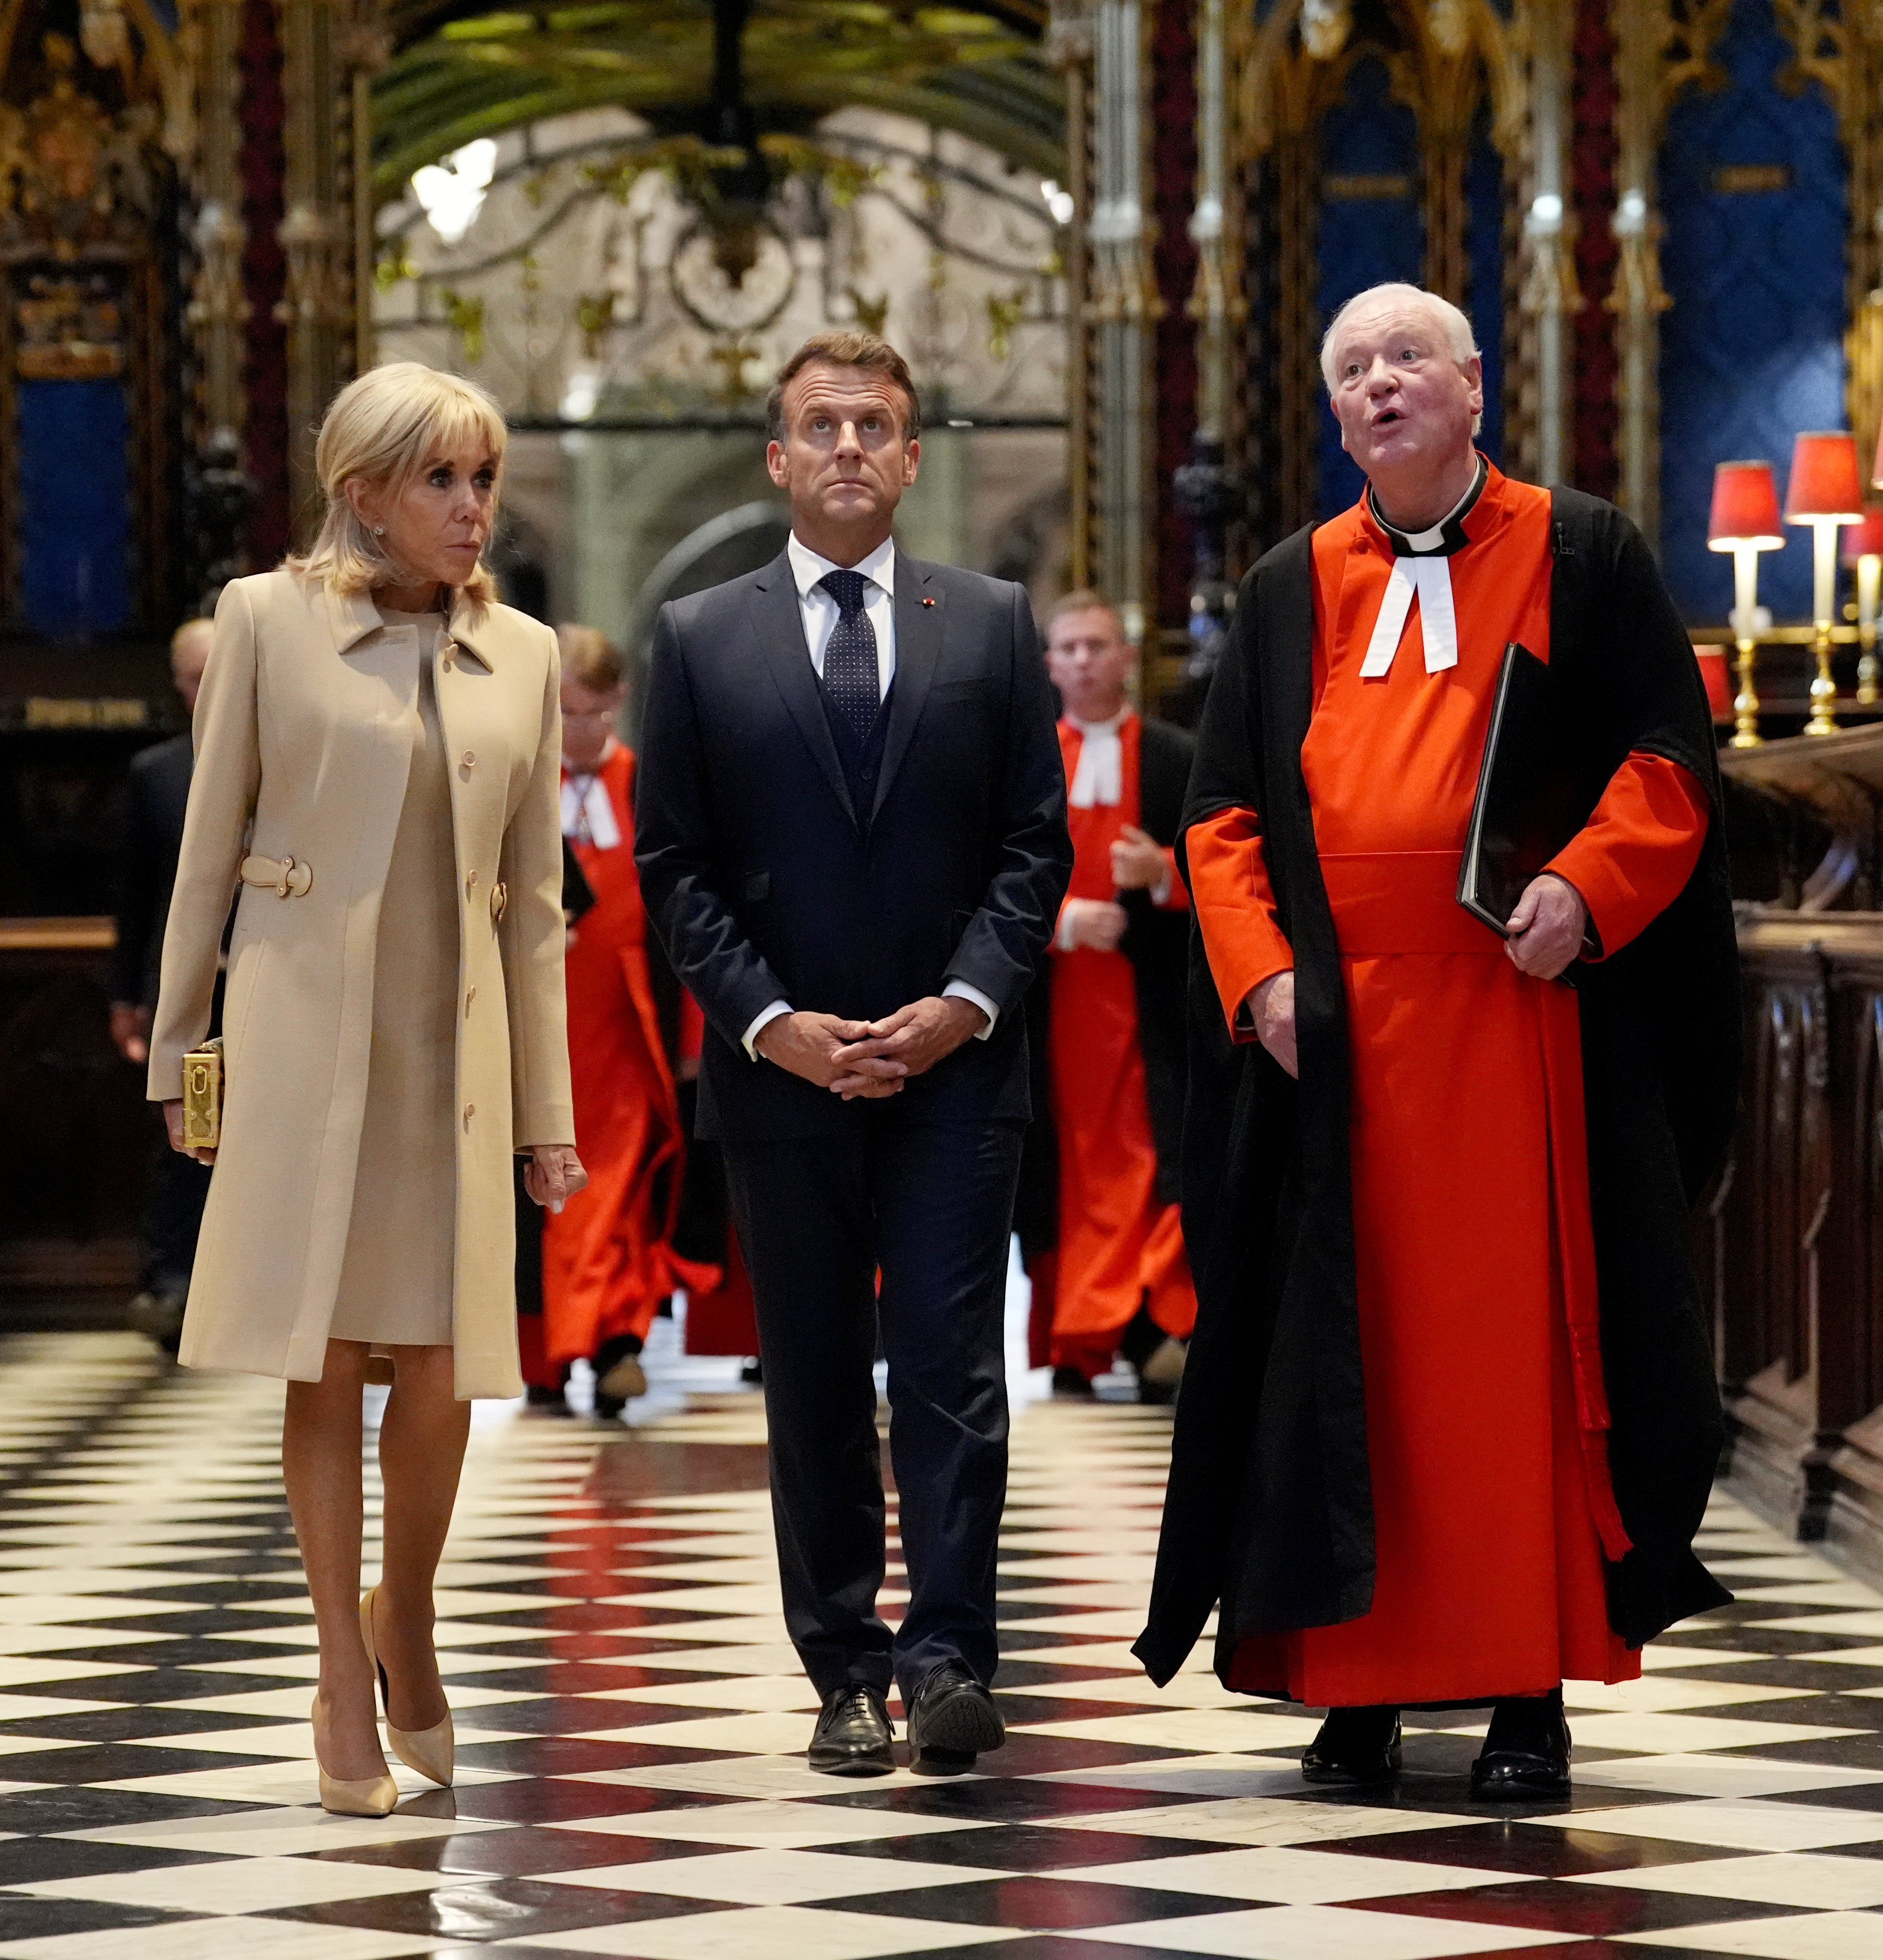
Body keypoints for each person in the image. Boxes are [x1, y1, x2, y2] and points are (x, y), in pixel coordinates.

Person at [1135, 282, 1739, 1800]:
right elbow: (1217, 820)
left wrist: (1583, 891)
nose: (1380, 385)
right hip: (1334, 1049)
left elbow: (1671, 763)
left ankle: (1530, 1692)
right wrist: (1263, 978)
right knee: (1349, 1370)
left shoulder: (1583, 550)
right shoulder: (1289, 583)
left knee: (1519, 1374)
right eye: (1352, 369)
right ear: (1337, 413)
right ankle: (1357, 1691)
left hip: (1523, 1030)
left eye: (1408, 358)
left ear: (1475, 387)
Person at [147, 360, 587, 1817]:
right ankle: (342, 1669)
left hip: (452, 1049)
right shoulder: (266, 623)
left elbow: (535, 905)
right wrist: (175, 1045)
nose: (475, 510)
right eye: (445, 481)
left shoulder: (521, 651)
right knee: (324, 1358)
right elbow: (207, 848)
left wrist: (550, 1115)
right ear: (364, 494)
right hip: (295, 1033)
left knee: (446, 1368)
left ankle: (410, 1611)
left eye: (486, 480)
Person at [636, 329, 1071, 1775]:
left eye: (871, 425)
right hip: (783, 1072)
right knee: (816, 1375)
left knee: (952, 1371)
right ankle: (842, 1668)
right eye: (818, 426)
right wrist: (772, 1024)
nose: (844, 448)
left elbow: (1032, 844)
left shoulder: (992, 621)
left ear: (911, 456)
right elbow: (675, 866)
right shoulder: (701, 638)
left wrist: (965, 1002)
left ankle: (949, 1658)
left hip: (959, 1064)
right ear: (777, 459)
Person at [1014, 589, 1196, 1401]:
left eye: (1098, 646)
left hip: (1151, 1003)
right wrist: (1056, 922)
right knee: (1067, 1167)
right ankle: (1080, 1337)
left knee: (1155, 1156)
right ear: (1049, 665)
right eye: (1069, 649)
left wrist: (1163, 877)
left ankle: (1155, 1323)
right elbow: (982, 882)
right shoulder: (1021, 763)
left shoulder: (1174, 758)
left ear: (1127, 658)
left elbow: (1232, 866)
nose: (1084, 662)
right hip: (1056, 1012)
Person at [520, 625, 692, 1417]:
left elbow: (688, 908)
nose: (577, 730)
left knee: (619, 1178)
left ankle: (614, 1336)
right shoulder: (521, 786)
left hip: (631, 1016)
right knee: (545, 1180)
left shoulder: (651, 783)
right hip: (541, 1016)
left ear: (618, 703)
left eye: (590, 713)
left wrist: (693, 1035)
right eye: (562, 713)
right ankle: (557, 1347)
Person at [111, 617, 217, 1350]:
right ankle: (174, 1278)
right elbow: (136, 895)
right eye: (196, 678)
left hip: (270, 981)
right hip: (185, 988)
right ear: (179, 687)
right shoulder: (160, 774)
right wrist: (126, 995)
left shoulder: (288, 759)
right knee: (192, 1134)